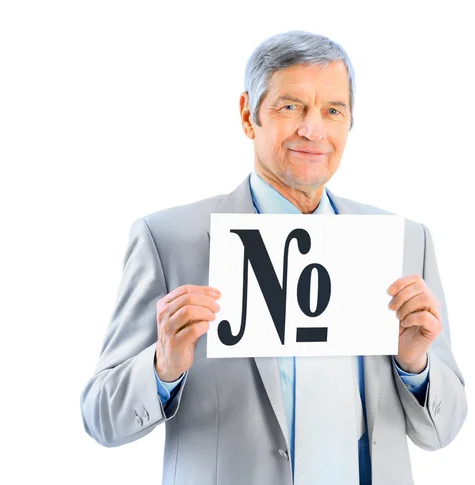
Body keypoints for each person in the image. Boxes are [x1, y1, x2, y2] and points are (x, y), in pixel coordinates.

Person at [80, 31, 467, 485]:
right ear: (249, 115)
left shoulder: (404, 242)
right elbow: (100, 416)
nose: (313, 129)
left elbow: (443, 431)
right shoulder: (169, 240)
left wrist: (415, 365)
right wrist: (163, 368)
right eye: (291, 107)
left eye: (333, 111)